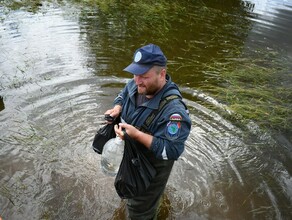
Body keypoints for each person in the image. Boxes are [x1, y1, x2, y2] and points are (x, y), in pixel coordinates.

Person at [105, 44, 191, 219]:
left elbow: (172, 150)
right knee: (128, 191)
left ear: (162, 74)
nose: (137, 81)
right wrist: (117, 107)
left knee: (139, 212)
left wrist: (135, 134)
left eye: (144, 76)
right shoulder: (137, 82)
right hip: (132, 157)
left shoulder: (174, 112)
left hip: (150, 168)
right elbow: (124, 93)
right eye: (135, 74)